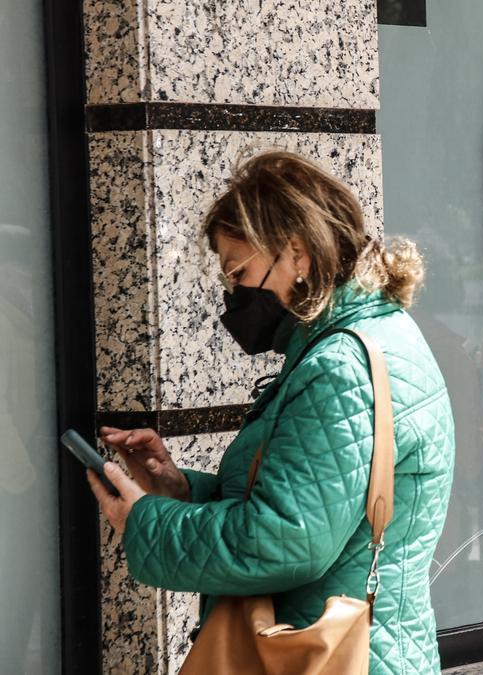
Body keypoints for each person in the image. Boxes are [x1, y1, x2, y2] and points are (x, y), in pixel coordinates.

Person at [86, 149, 455, 674]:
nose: (232, 292)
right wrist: (183, 491)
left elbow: (285, 541)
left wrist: (144, 522)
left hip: (332, 657)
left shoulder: (339, 365)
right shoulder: (374, 332)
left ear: (297, 255)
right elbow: (313, 503)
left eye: (239, 271)